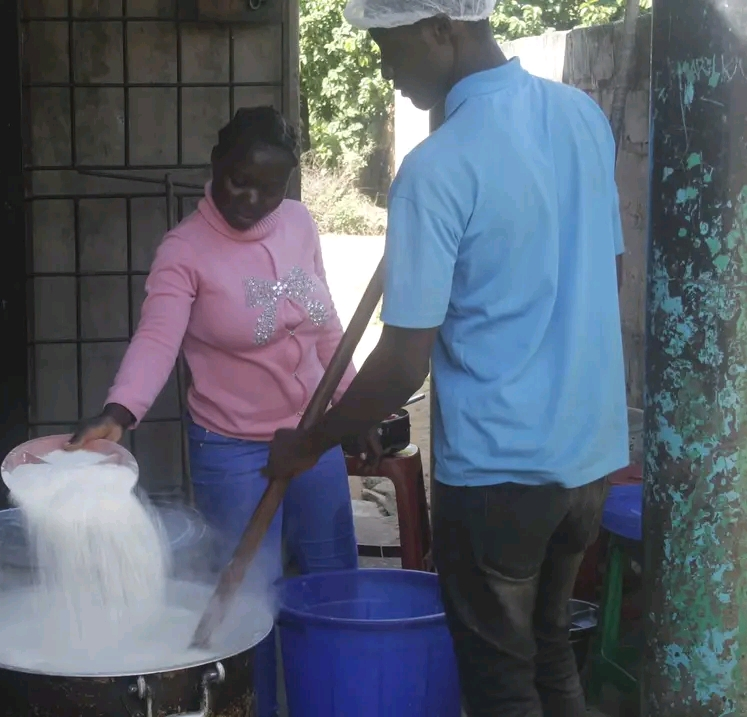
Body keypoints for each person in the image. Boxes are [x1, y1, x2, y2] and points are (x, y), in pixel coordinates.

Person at [263, 2, 628, 716]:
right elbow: (606, 278)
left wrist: (311, 440)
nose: (384, 69)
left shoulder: (435, 169)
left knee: (498, 681)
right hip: (588, 459)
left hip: (499, 475)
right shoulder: (580, 117)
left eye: (389, 48)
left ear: (441, 29)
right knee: (550, 649)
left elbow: (403, 364)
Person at [66, 106, 360, 717]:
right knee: (254, 601)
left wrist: (354, 406)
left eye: (270, 187)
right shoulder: (185, 251)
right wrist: (121, 411)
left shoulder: (299, 224)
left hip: (311, 437)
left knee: (335, 583)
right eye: (238, 181)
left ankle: (336, 699)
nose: (252, 198)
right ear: (215, 166)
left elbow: (328, 326)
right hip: (234, 449)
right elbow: (157, 338)